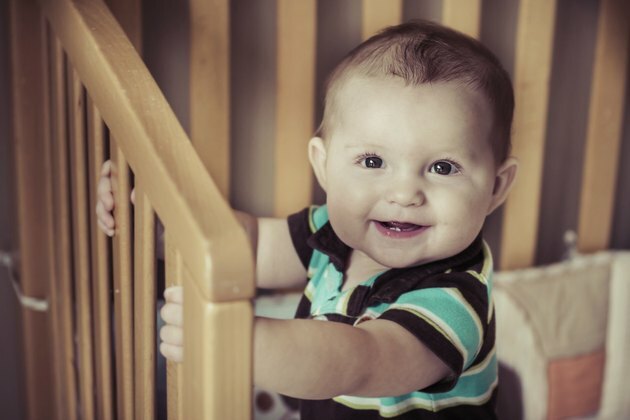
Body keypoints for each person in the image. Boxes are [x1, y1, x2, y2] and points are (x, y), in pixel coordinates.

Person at [96, 20, 518, 419]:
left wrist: (238, 342)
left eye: (443, 168)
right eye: (373, 161)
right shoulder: (330, 232)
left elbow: (363, 360)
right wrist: (157, 227)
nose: (405, 194)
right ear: (324, 165)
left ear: (497, 187)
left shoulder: (455, 297)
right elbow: (251, 246)